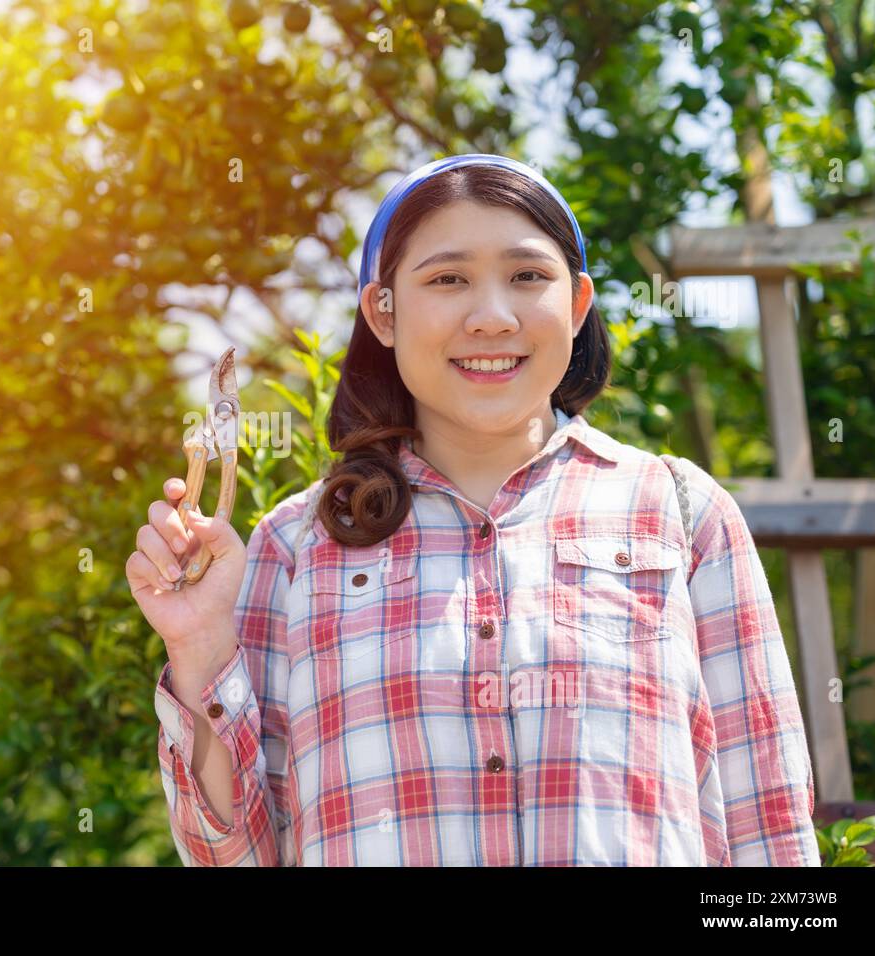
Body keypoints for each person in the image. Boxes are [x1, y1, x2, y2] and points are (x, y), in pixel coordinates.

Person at [125, 153, 821, 866]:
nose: (491, 317)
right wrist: (201, 643)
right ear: (383, 313)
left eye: (527, 277)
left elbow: (770, 827)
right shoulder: (295, 547)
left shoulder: (683, 515)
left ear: (578, 307)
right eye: (448, 279)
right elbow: (233, 855)